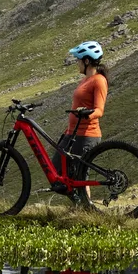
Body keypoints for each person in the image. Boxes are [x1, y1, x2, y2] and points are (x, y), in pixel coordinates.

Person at [59, 40, 108, 188]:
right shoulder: (85, 80)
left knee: (80, 176)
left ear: (87, 61)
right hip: (73, 134)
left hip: (87, 135)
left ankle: (85, 207)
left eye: (79, 60)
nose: (77, 64)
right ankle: (78, 204)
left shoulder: (99, 81)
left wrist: (86, 114)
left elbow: (99, 110)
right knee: (58, 170)